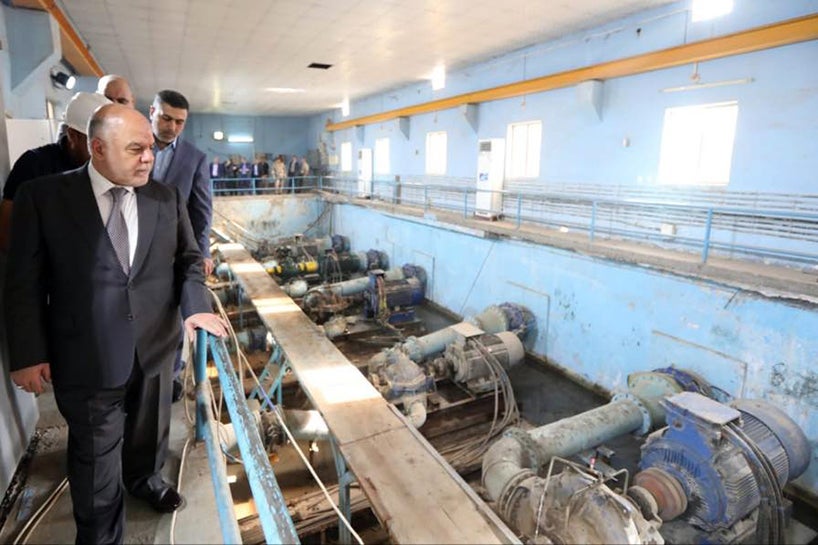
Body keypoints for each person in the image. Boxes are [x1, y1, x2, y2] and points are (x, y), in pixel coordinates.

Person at [4, 104, 228, 544]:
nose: (148, 158)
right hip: (86, 352)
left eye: (150, 149)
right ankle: (101, 536)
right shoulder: (43, 198)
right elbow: (23, 281)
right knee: (95, 457)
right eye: (135, 149)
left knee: (150, 432)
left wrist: (195, 307)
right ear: (98, 148)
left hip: (155, 345)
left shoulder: (166, 198)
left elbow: (188, 262)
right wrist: (28, 353)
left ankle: (145, 479)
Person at [0, 91, 111, 252]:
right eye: (96, 143)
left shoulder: (111, 170)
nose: (104, 151)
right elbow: (7, 233)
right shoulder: (34, 165)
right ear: (73, 135)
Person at [148, 90, 213, 276]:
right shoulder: (133, 147)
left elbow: (201, 211)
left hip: (173, 247)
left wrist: (203, 251)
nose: (172, 127)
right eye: (166, 118)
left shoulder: (195, 159)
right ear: (152, 112)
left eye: (179, 122)